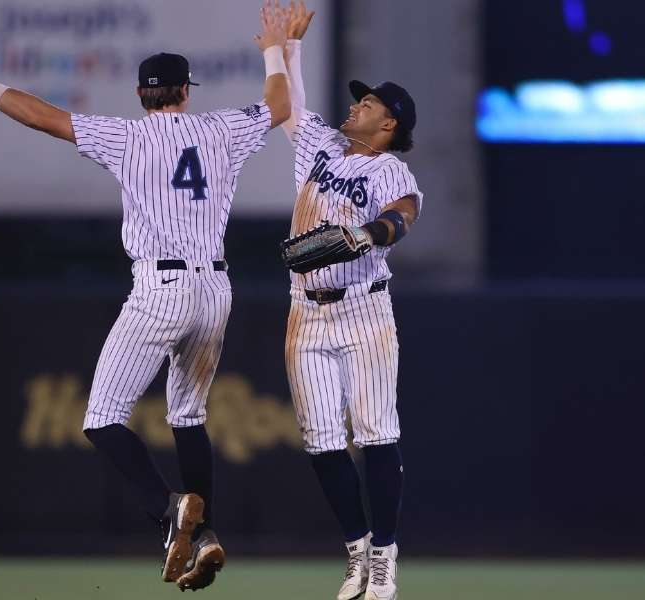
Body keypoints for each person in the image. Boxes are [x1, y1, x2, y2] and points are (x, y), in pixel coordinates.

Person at [0, 4, 290, 591]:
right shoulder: (221, 128)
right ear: (185, 90)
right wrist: (274, 49)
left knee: (103, 419)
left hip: (161, 287)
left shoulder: (126, 135)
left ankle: (170, 513)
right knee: (189, 416)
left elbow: (41, 116)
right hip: (215, 289)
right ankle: (206, 535)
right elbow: (281, 107)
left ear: (140, 93)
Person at [279, 3, 423, 599]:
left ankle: (385, 561)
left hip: (364, 308)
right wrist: (286, 49)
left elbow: (405, 212)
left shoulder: (387, 167)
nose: (357, 105)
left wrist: (368, 234)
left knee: (376, 433)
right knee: (321, 442)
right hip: (306, 311)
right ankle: (358, 552)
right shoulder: (319, 143)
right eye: (358, 99)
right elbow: (290, 103)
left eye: (369, 104)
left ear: (388, 125)